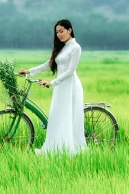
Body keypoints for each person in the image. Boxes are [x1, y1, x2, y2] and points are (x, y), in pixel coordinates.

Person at [18, 19, 87, 156]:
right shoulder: (62, 47)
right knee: (57, 115)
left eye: (61, 31)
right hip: (60, 87)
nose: (59, 35)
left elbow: (70, 71)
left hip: (70, 87)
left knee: (67, 117)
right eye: (57, 32)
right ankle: (56, 147)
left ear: (69, 30)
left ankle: (68, 149)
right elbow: (49, 63)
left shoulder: (75, 47)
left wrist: (52, 82)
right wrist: (29, 71)